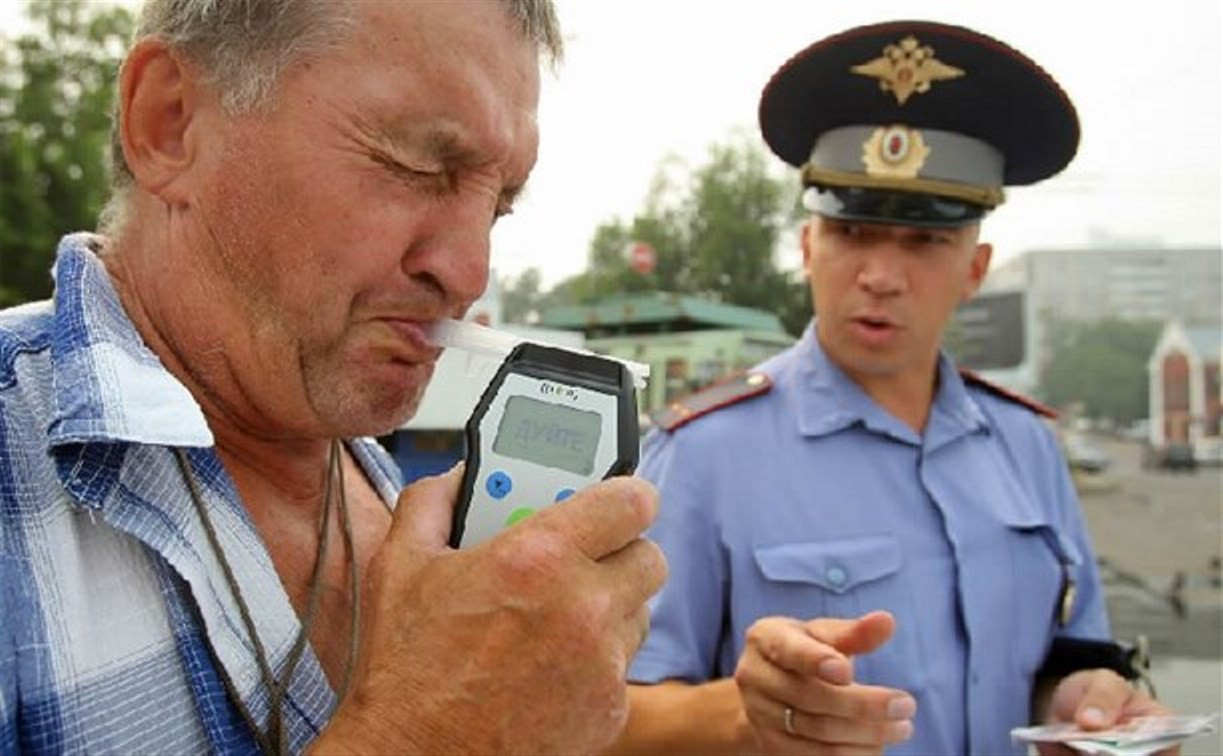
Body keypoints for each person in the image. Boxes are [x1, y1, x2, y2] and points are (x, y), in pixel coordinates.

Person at [0, 1, 666, 754]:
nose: (468, 273)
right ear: (170, 123)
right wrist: (428, 735)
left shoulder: (386, 490)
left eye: (500, 206)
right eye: (418, 166)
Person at [613, 20, 1174, 755]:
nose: (880, 274)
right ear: (808, 247)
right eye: (852, 232)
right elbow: (607, 714)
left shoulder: (1025, 445)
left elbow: (1069, 653)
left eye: (924, 241)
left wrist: (1086, 701)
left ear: (974, 270)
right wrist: (745, 715)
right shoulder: (702, 452)